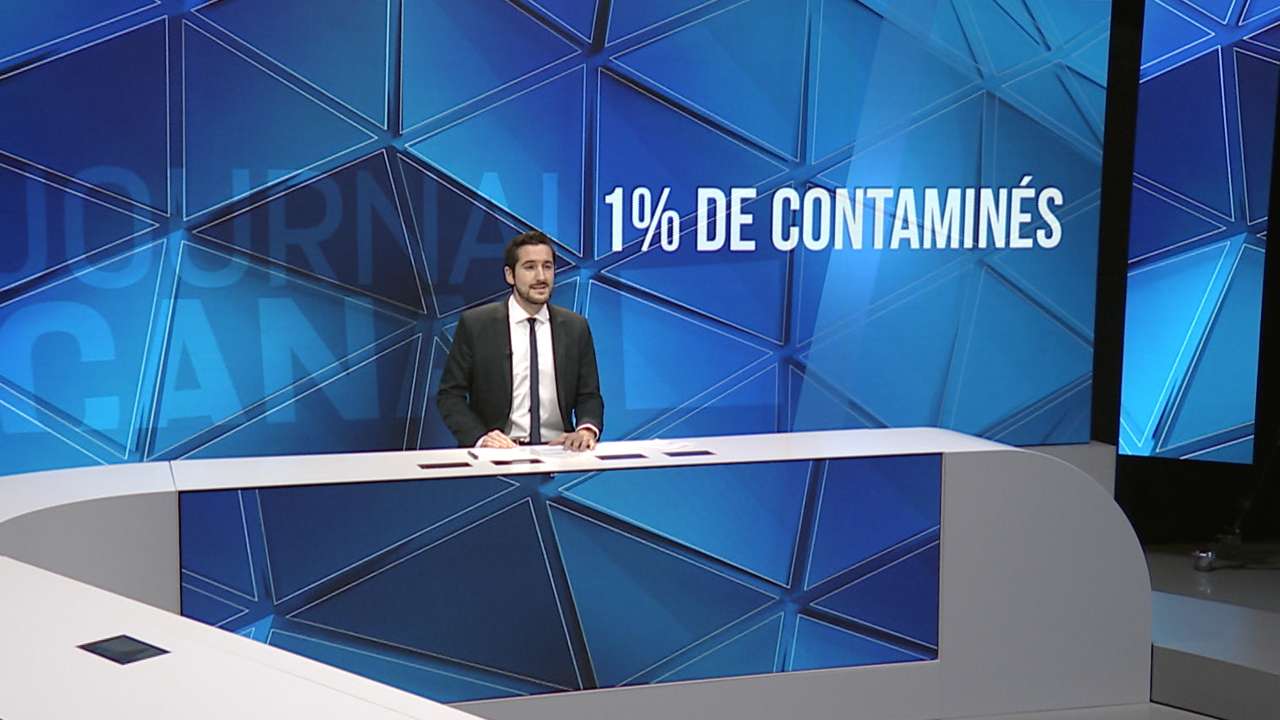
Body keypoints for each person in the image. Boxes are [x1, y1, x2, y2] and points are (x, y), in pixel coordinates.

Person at [437, 231, 603, 451]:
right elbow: (450, 395)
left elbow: (589, 395)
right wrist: (481, 438)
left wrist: (586, 430)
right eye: (530, 267)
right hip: (498, 453)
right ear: (510, 275)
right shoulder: (476, 324)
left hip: (560, 451)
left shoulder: (575, 327)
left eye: (547, 266)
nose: (541, 277)